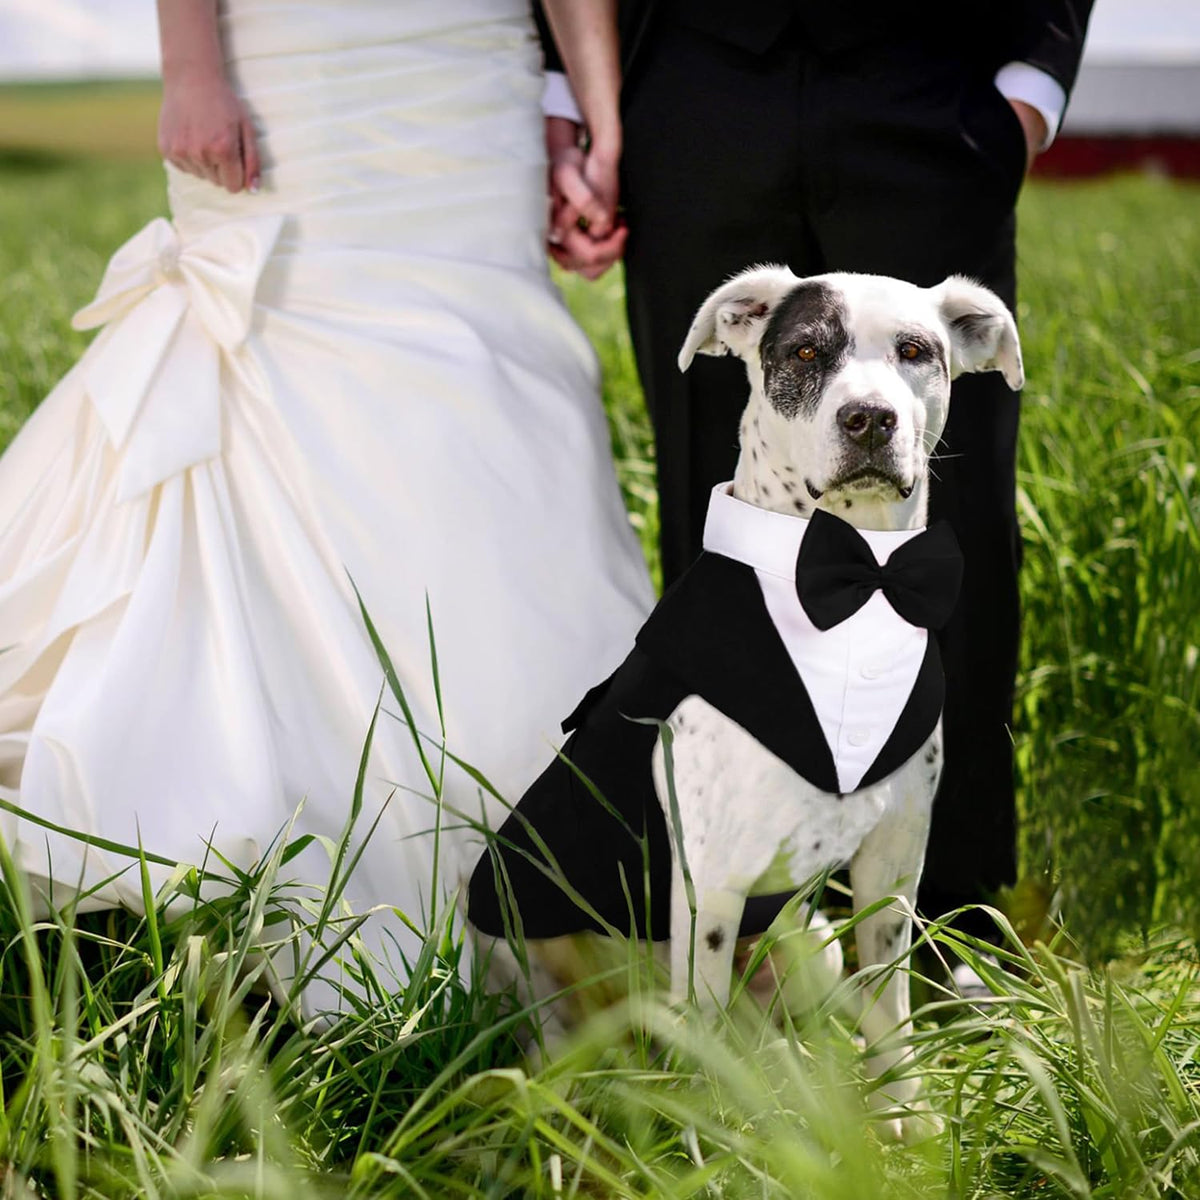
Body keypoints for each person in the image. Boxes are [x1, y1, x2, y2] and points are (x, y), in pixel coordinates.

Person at [0, 0, 653, 1014]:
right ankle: (268, 836)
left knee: (492, 423)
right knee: (292, 400)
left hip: (470, 83)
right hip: (295, 66)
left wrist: (595, 114)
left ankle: (565, 882)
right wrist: (191, 68)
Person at [540, 2, 1094, 929]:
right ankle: (749, 927)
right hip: (691, 91)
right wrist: (572, 93)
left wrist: (1032, 84)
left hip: (930, 94)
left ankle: (953, 918)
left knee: (956, 530)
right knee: (713, 516)